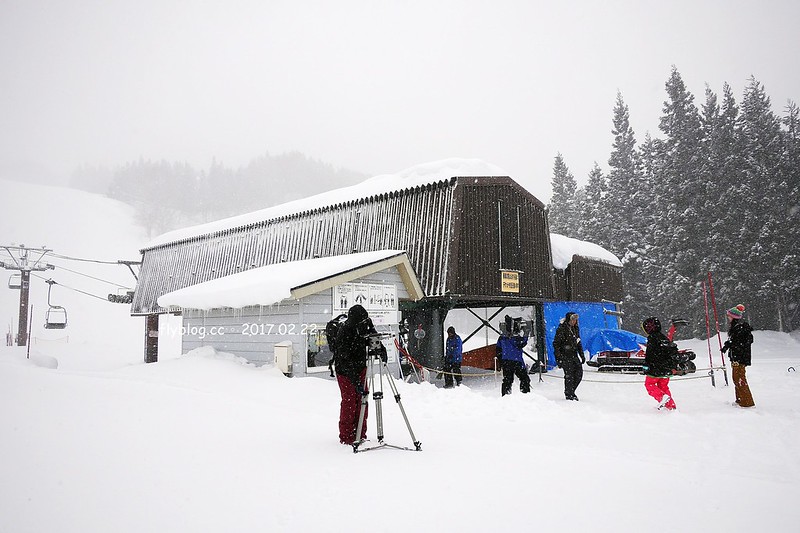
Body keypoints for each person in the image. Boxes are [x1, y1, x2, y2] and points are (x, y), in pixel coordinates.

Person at [333, 304, 383, 445]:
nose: (364, 324)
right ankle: (347, 436)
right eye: (361, 322)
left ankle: (360, 433)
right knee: (350, 402)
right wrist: (355, 381)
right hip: (345, 370)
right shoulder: (344, 332)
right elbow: (344, 359)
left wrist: (381, 349)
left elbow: (373, 335)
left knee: (362, 401)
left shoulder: (365, 322)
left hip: (361, 366)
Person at [722, 304, 755, 407]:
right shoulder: (736, 328)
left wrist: (731, 345)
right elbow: (735, 341)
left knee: (739, 378)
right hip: (736, 357)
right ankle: (740, 399)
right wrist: (727, 345)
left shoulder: (740, 328)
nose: (728, 318)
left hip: (739, 358)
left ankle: (747, 402)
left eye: (729, 316)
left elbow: (741, 342)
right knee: (736, 378)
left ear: (734, 317)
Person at [641, 316, 677, 410]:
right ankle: (670, 407)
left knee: (649, 385)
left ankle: (662, 398)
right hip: (667, 368)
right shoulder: (664, 338)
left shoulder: (652, 338)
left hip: (655, 368)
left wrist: (647, 365)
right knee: (663, 386)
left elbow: (650, 354)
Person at [552, 311, 585, 400]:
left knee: (579, 374)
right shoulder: (562, 329)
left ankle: (571, 391)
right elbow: (556, 344)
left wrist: (582, 355)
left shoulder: (576, 329)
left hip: (574, 355)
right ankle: (569, 394)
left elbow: (578, 342)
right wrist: (559, 358)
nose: (575, 321)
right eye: (573, 319)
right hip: (565, 356)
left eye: (576, 320)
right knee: (569, 376)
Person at [496, 316, 531, 396]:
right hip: (517, 361)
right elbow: (521, 344)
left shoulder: (502, 338)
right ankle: (525, 394)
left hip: (506, 361)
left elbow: (498, 350)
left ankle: (506, 395)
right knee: (524, 378)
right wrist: (526, 334)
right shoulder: (516, 338)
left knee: (507, 380)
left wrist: (501, 361)